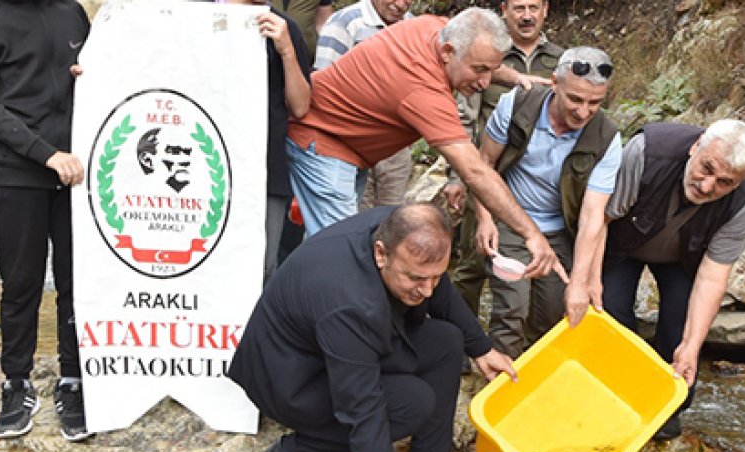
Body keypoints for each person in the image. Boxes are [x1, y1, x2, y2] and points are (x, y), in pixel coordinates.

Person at [229, 203, 516, 452]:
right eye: (414, 279)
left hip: (335, 347)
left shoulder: (401, 228)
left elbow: (435, 287)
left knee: (446, 341)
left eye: (435, 277)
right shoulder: (349, 304)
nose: (427, 291)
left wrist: (481, 348)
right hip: (291, 378)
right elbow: (362, 412)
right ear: (381, 254)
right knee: (413, 402)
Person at [285, 8, 564, 280]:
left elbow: (478, 56)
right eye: (479, 70)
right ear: (447, 53)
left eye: (491, 70)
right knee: (341, 256)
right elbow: (475, 171)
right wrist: (530, 233)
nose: (485, 82)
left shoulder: (435, 28)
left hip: (351, 147)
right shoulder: (423, 89)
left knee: (324, 247)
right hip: (321, 144)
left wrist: (515, 77)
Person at [576, 120, 745, 441]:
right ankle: (615, 395)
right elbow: (600, 218)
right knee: (611, 314)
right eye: (706, 169)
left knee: (681, 334)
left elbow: (712, 277)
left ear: (739, 182)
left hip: (682, 259)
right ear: (697, 146)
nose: (707, 186)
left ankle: (666, 408)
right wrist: (589, 280)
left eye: (723, 182)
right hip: (620, 244)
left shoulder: (743, 202)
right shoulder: (648, 151)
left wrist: (691, 346)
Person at [0, 0, 91, 441]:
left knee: (78, 283)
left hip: (77, 172)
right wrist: (46, 154)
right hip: (19, 173)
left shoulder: (72, 11)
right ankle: (16, 382)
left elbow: (102, 74)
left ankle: (74, 381)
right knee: (21, 285)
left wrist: (89, 77)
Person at [472, 47, 621, 357]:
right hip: (510, 218)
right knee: (512, 307)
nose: (583, 112)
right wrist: (485, 220)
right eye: (575, 100)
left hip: (558, 231)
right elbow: (484, 164)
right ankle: (499, 386)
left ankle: (535, 387)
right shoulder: (516, 104)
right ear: (554, 83)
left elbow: (593, 216)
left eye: (594, 103)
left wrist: (581, 281)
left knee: (552, 315)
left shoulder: (607, 138)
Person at [446, 0, 562, 315]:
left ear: (545, 9)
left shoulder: (562, 61)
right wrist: (457, 176)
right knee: (473, 262)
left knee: (536, 263)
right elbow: (463, 118)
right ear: (505, 10)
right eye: (519, 8)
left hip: (538, 186)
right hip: (485, 173)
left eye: (533, 8)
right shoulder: (485, 55)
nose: (526, 16)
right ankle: (462, 342)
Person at [226, 0, 311, 280]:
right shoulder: (198, 13)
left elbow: (300, 106)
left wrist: (286, 50)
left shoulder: (284, 27)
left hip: (265, 167)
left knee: (261, 265)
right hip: (202, 157)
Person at [313, 0, 413, 212]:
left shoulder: (412, 28)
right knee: (352, 218)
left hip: (396, 144)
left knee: (392, 219)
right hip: (350, 141)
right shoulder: (346, 23)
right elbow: (321, 89)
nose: (401, 4)